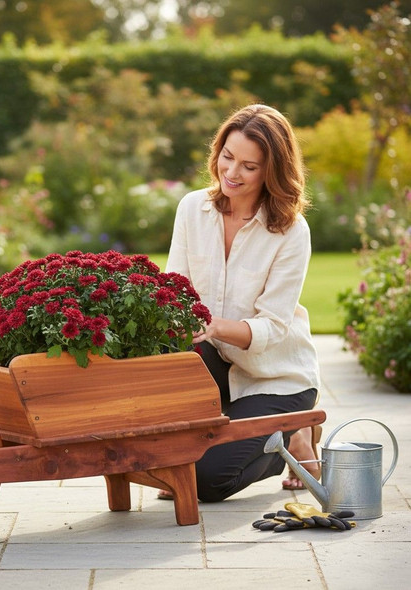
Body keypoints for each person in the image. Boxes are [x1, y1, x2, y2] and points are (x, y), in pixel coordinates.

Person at [163, 104, 321, 501]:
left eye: (249, 167)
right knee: (170, 457)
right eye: (227, 158)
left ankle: (290, 439)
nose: (231, 173)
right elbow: (173, 288)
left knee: (204, 481)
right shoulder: (192, 209)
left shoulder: (290, 230)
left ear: (271, 171)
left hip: (275, 377)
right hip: (214, 366)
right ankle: (267, 433)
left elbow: (272, 327)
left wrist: (213, 325)